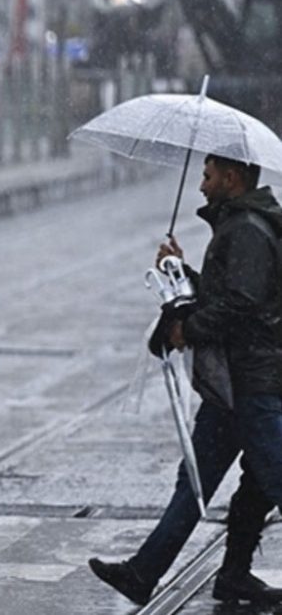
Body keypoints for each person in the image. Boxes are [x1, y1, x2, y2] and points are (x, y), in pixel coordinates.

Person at [90, 154, 282, 606]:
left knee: (272, 477)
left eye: (208, 175)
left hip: (252, 382)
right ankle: (148, 573)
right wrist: (181, 271)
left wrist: (187, 329)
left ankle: (222, 573)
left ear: (232, 178)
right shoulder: (239, 225)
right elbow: (227, 293)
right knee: (197, 478)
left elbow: (242, 305)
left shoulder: (247, 230)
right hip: (232, 383)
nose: (201, 185)